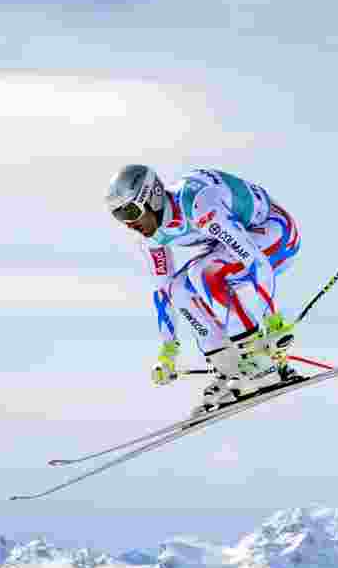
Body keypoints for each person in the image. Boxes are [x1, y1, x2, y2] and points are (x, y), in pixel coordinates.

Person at [105, 164, 301, 410]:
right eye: (119, 216)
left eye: (131, 212)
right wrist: (168, 353)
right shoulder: (150, 238)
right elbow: (164, 292)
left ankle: (259, 359)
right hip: (241, 249)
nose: (129, 224)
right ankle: (230, 368)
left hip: (277, 235)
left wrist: (274, 323)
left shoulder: (199, 205)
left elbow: (255, 261)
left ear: (152, 198)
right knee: (179, 288)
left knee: (204, 272)